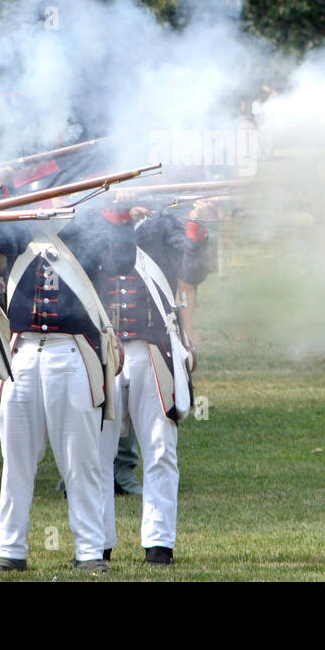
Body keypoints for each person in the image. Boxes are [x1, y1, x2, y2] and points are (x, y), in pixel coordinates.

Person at [0, 202, 135, 574]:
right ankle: (10, 548)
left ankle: (89, 549)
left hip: (72, 348)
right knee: (17, 459)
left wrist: (120, 215)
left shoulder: (89, 224)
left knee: (81, 460)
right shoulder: (18, 225)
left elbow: (122, 260)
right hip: (22, 349)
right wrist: (8, 196)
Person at [100, 201, 210, 566]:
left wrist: (195, 227)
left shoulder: (163, 225)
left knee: (160, 448)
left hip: (152, 349)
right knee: (95, 452)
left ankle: (159, 543)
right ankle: (95, 542)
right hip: (102, 351)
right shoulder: (92, 223)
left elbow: (191, 270)